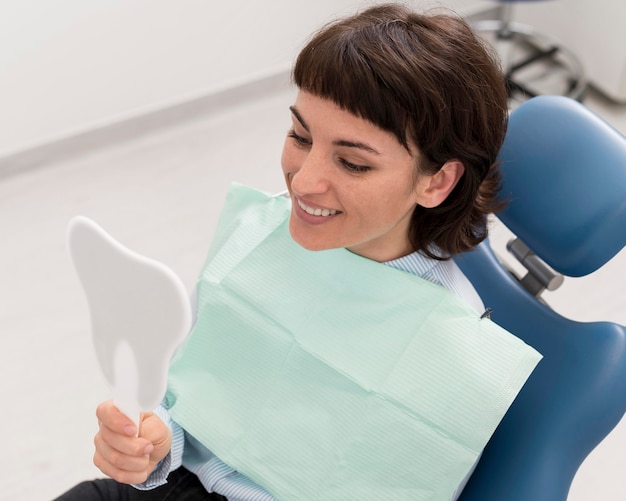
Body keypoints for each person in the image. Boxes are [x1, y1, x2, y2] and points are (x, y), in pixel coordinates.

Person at [55, 3, 540, 500]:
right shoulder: (261, 237)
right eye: (300, 136)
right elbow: (189, 392)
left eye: (352, 163)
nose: (304, 182)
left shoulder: (444, 352)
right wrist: (155, 440)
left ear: (436, 180)